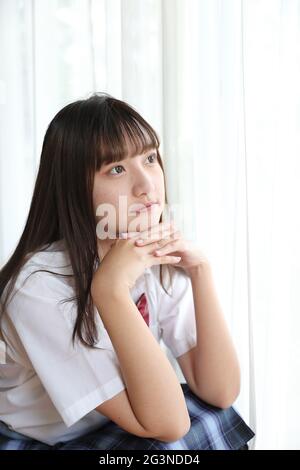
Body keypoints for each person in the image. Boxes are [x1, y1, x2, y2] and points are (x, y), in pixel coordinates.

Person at [0, 92, 255, 450]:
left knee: (213, 415)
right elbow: (168, 423)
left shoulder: (154, 256)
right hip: (39, 440)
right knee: (168, 443)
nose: (146, 185)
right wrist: (110, 290)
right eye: (116, 169)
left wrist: (200, 271)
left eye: (150, 158)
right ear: (74, 187)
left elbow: (221, 390)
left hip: (111, 420)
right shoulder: (37, 287)